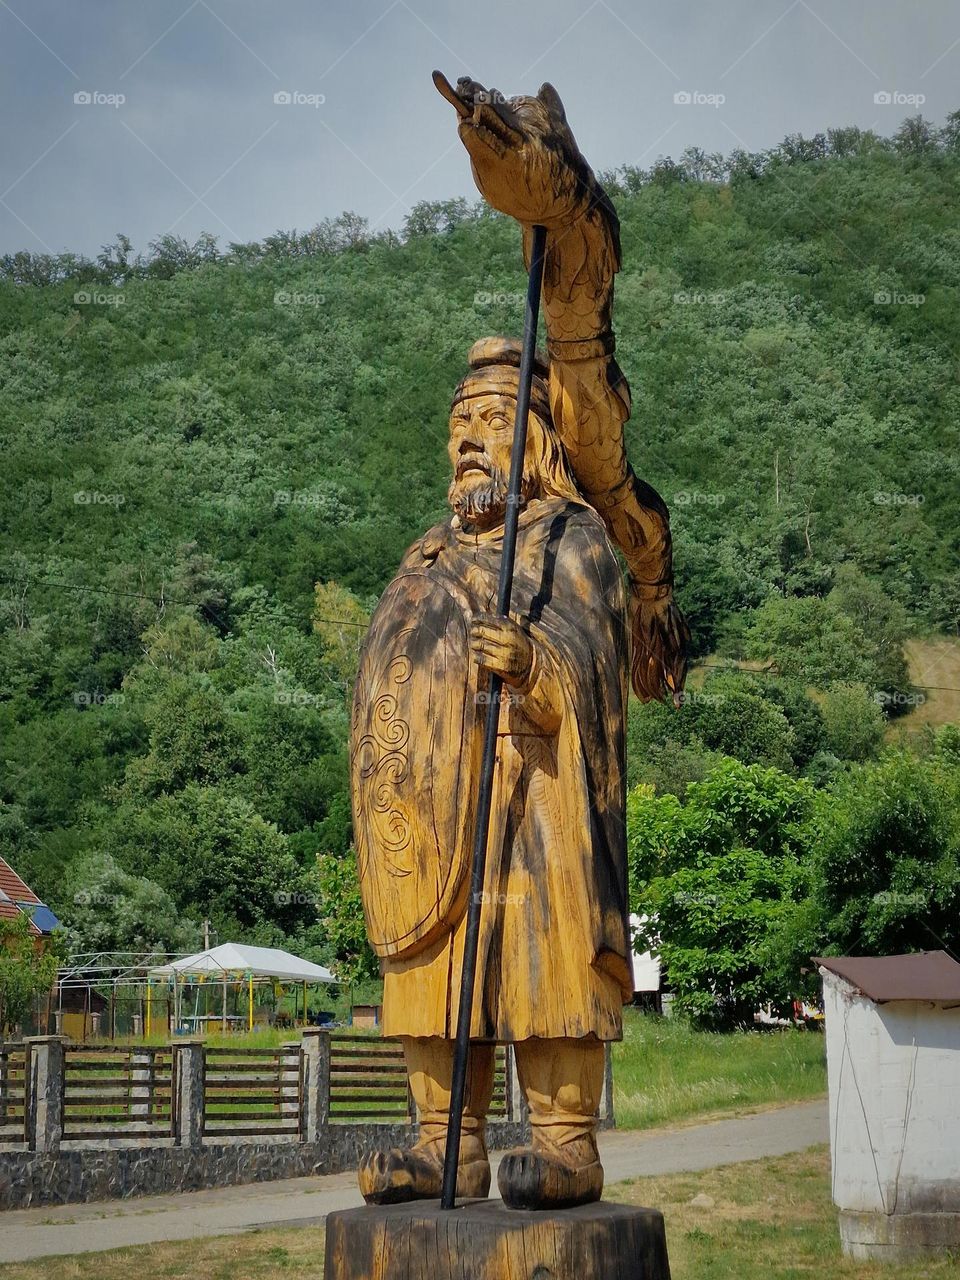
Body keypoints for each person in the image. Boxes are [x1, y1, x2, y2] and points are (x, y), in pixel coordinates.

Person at [351, 74, 687, 1211]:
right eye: (456, 432)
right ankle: (442, 1135)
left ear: (538, 440)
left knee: (539, 949)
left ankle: (564, 1137)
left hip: (538, 798)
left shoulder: (570, 538)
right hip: (440, 818)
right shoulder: (424, 559)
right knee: (436, 967)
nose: (465, 448)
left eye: (487, 427)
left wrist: (536, 667)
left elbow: (595, 665)